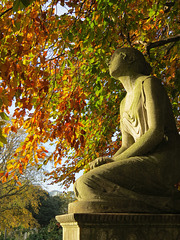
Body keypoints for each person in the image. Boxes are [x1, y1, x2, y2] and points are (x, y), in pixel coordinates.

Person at [73, 48, 180, 212]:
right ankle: (153, 203)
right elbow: (126, 145)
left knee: (88, 183)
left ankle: (161, 202)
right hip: (141, 157)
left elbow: (156, 132)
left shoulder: (149, 83)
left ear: (129, 58)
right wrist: (109, 160)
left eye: (114, 56)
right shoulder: (123, 103)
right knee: (81, 186)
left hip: (162, 160)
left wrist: (116, 161)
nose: (109, 61)